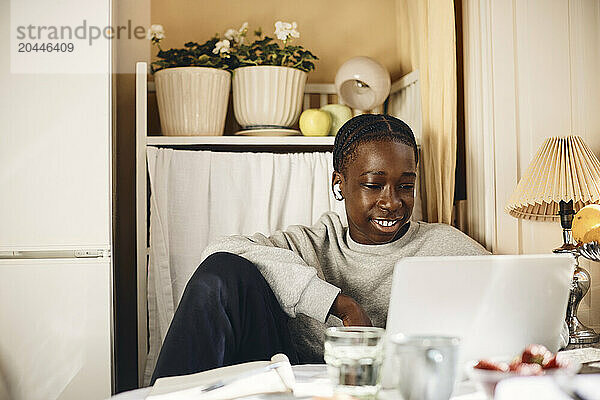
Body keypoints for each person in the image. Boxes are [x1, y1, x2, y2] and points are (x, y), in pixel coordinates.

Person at [150, 114, 489, 384]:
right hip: (292, 381)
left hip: (391, 386)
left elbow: (510, 292)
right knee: (223, 272)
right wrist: (340, 304)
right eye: (373, 185)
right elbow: (219, 250)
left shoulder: (443, 245)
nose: (392, 202)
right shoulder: (310, 243)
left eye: (406, 186)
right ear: (338, 184)